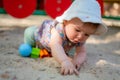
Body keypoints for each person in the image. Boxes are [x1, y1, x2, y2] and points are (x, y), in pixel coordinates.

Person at [24, 0, 107, 75]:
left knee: (70, 53)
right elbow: (55, 45)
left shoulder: (79, 38)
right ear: (66, 21)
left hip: (63, 46)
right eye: (77, 30)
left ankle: (49, 52)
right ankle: (31, 46)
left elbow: (81, 52)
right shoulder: (58, 29)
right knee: (29, 32)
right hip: (42, 38)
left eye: (87, 34)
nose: (80, 36)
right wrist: (64, 61)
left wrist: (77, 61)